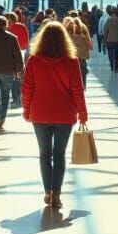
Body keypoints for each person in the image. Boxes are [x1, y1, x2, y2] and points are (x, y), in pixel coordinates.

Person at [22, 20, 87, 209]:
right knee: (59, 154)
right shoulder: (72, 62)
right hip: (64, 115)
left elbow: (27, 88)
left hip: (40, 113)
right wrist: (82, 112)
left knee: (44, 154)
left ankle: (47, 191)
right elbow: (77, 90)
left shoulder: (34, 60)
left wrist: (26, 110)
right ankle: (56, 194)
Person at [65, 15, 92, 87]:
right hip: (82, 60)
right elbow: (90, 47)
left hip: (71, 60)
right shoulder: (84, 36)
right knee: (83, 79)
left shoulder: (67, 36)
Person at [103, 7, 118, 73]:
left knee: (110, 54)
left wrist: (104, 40)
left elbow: (106, 30)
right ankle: (116, 68)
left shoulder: (109, 20)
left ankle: (112, 67)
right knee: (116, 55)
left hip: (109, 40)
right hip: (117, 40)